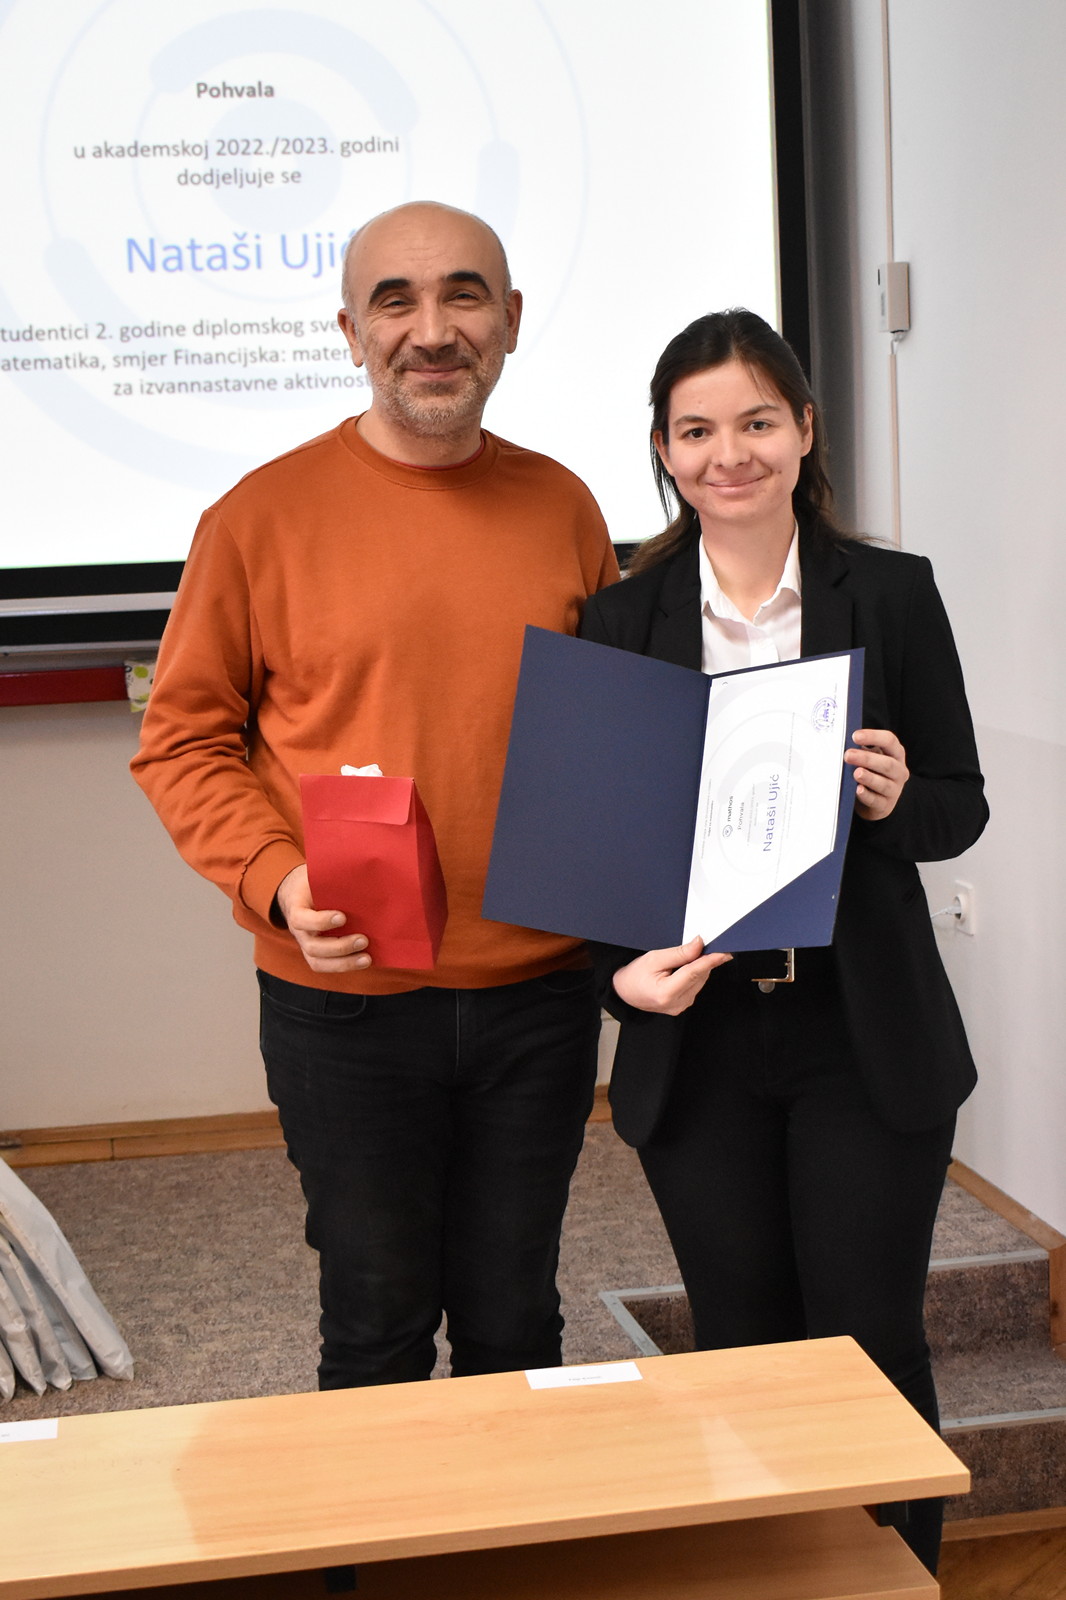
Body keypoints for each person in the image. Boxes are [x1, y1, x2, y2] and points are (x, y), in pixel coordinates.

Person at [132, 201, 618, 1391]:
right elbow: (181, 739)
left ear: (511, 321)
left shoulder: (564, 507)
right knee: (375, 1325)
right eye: (394, 301)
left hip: (538, 998)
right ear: (350, 331)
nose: (431, 329)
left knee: (517, 1322)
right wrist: (276, 878)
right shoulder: (258, 517)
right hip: (341, 1008)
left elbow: (615, 739)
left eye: (463, 295)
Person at [579, 309, 987, 1574]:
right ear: (663, 449)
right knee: (742, 1352)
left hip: (861, 1035)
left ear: (804, 430)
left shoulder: (893, 594)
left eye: (756, 421)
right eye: (697, 430)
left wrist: (893, 801)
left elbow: (958, 805)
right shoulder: (621, 617)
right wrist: (618, 977)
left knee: (869, 1347)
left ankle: (897, 1583)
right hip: (701, 1043)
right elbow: (598, 858)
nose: (729, 454)